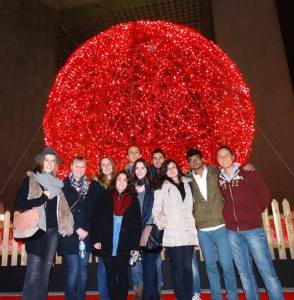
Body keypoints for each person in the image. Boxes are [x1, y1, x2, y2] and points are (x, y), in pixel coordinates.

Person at [216, 145, 284, 300]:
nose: (223, 158)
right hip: (233, 232)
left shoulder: (247, 172)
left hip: (253, 229)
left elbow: (264, 194)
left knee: (266, 270)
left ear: (233, 156)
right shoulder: (219, 179)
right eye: (219, 156)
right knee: (244, 273)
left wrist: (253, 213)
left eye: (226, 155)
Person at [14, 147, 73, 300]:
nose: (49, 164)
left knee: (46, 271)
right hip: (36, 229)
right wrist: (42, 198)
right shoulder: (31, 179)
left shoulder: (58, 185)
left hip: (53, 231)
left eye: (52, 161)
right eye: (47, 160)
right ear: (42, 162)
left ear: (55, 165)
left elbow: (63, 208)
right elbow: (18, 202)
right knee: (33, 271)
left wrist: (66, 225)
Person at [186, 148, 237, 300]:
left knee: (227, 265)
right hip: (203, 229)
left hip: (221, 226)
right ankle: (217, 297)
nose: (194, 162)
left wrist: (243, 166)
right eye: (191, 160)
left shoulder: (216, 172)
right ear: (188, 163)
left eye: (196, 158)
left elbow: (231, 168)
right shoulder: (187, 180)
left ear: (202, 159)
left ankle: (232, 295)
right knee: (210, 266)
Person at [91, 171, 141, 300]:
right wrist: (96, 239)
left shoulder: (133, 199)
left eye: (125, 180)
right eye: (119, 179)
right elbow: (96, 219)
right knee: (110, 275)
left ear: (128, 183)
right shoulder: (105, 196)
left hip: (125, 243)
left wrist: (135, 246)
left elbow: (137, 225)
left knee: (123, 275)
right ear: (115, 181)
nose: (122, 182)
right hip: (107, 241)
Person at [152, 159, 198, 300]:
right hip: (173, 233)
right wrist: (162, 220)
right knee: (178, 268)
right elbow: (156, 210)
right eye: (168, 168)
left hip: (188, 232)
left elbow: (192, 207)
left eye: (173, 167)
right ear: (164, 172)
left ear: (177, 168)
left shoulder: (187, 183)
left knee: (187, 268)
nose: (171, 170)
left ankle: (188, 296)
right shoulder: (162, 187)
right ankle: (181, 297)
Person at [59, 156, 91, 300]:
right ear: (71, 167)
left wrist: (87, 230)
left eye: (82, 166)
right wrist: (77, 228)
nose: (79, 169)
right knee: (73, 270)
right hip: (70, 233)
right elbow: (63, 211)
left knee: (83, 271)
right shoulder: (63, 185)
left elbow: (94, 211)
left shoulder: (90, 186)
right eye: (77, 166)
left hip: (86, 234)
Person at [131, 158, 160, 300]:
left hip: (150, 231)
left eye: (142, 168)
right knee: (150, 269)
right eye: (137, 168)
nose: (140, 170)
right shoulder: (131, 189)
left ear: (147, 170)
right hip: (136, 231)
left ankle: (148, 296)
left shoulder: (153, 187)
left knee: (149, 268)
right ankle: (154, 296)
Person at [91, 156, 116, 300]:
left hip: (118, 229)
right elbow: (94, 210)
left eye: (108, 164)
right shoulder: (96, 184)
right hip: (104, 230)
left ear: (113, 165)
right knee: (103, 266)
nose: (106, 167)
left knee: (116, 265)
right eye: (103, 165)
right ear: (100, 168)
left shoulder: (120, 181)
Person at [125, 146, 143, 298]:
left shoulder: (147, 172)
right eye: (131, 152)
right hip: (131, 221)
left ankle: (155, 289)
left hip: (147, 220)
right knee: (134, 257)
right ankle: (138, 290)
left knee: (152, 260)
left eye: (137, 152)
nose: (134, 154)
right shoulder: (123, 175)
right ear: (127, 156)